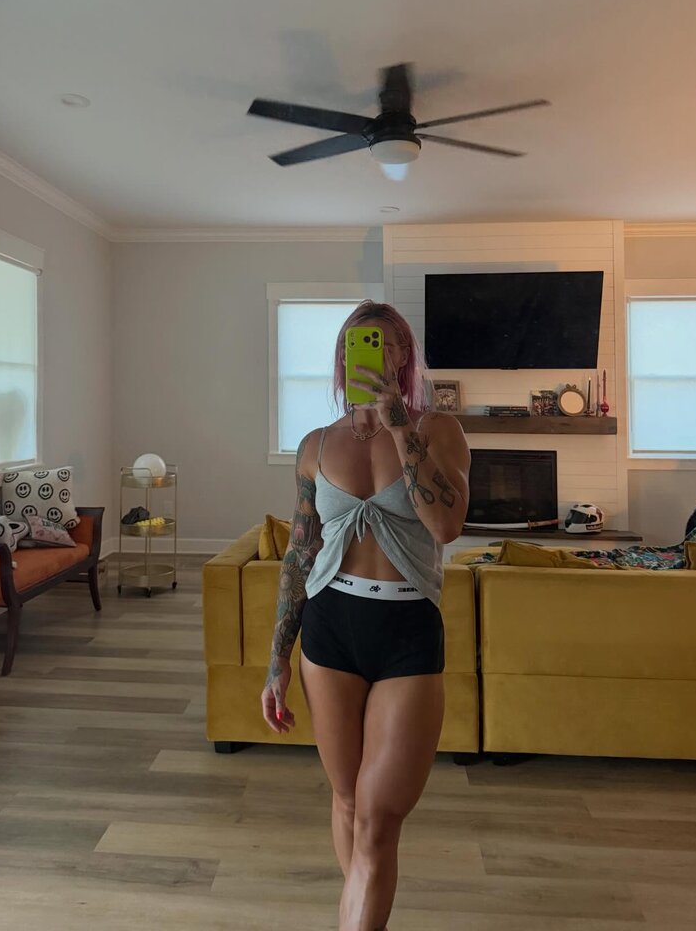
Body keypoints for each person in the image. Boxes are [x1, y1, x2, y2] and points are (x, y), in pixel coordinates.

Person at [260, 301, 470, 931]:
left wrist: (400, 425)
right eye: (357, 343)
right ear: (342, 357)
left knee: (379, 820)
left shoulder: (440, 430)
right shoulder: (315, 446)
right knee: (349, 801)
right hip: (329, 631)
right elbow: (300, 553)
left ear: (402, 355)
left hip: (407, 632)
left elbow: (447, 525)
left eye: (383, 343)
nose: (370, 353)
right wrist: (276, 660)